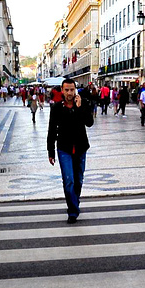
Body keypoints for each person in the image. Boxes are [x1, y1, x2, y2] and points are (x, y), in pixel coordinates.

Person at [47, 78, 94, 224]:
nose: (69, 93)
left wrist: (80, 108)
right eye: (66, 90)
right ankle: (73, 211)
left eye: (72, 90)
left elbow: (89, 123)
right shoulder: (56, 108)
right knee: (69, 181)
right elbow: (51, 130)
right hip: (64, 149)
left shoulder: (83, 103)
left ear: (76, 90)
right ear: (62, 90)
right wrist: (50, 152)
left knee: (78, 181)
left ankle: (74, 203)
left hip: (80, 148)